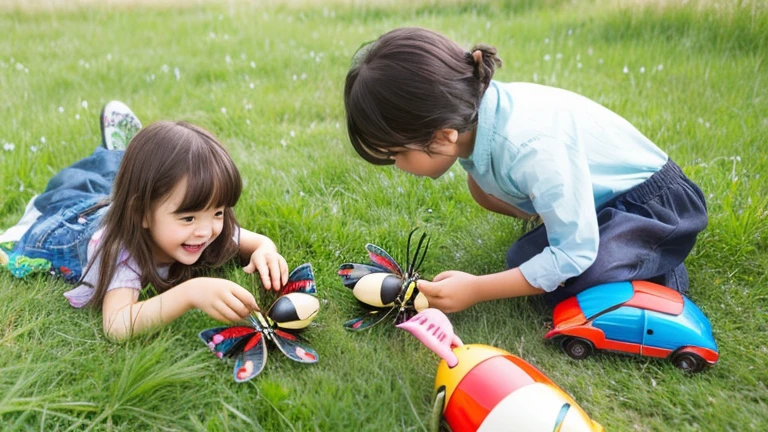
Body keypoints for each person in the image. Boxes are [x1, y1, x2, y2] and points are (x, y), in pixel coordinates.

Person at [343, 27, 708, 312]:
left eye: (397, 154)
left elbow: (572, 255)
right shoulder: (473, 116)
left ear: (443, 136)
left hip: (655, 205)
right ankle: (603, 240)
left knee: (572, 284)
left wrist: (477, 289)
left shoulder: (529, 148)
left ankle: (660, 264)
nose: (398, 166)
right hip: (602, 202)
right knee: (521, 261)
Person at [1, 101, 288, 339]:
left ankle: (126, 152)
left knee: (114, 179)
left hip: (121, 200)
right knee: (84, 180)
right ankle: (120, 152)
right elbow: (117, 326)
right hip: (71, 222)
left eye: (218, 212)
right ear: (141, 214)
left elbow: (258, 242)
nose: (206, 230)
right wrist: (191, 293)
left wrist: (267, 252)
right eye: (188, 218)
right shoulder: (121, 249)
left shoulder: (207, 227)